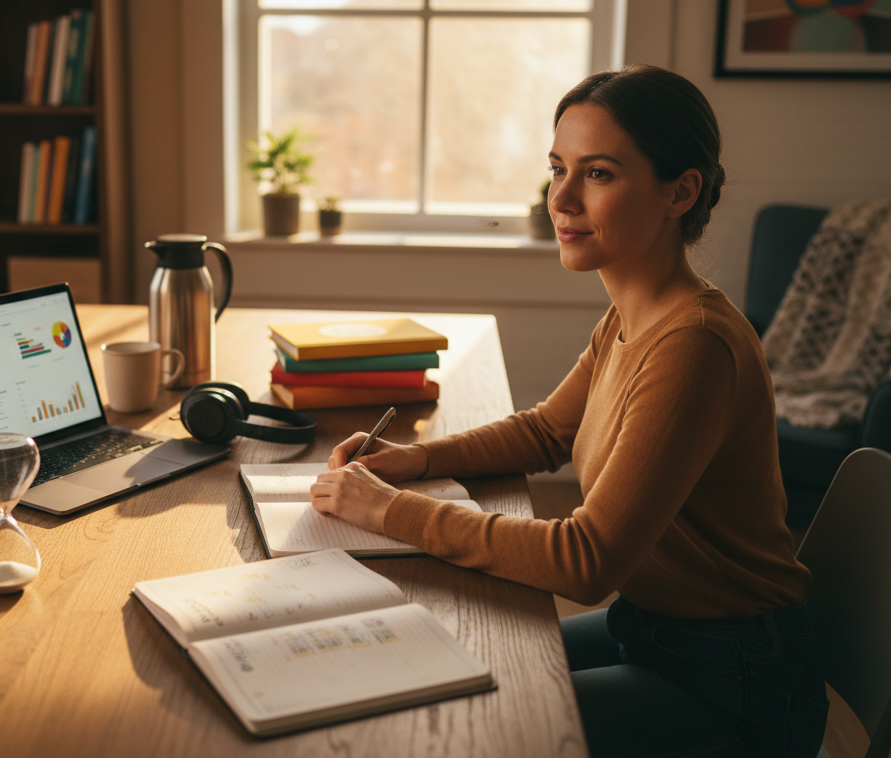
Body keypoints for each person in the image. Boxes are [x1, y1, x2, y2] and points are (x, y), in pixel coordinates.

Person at [311, 64, 829, 758]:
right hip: (650, 628)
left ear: (681, 191)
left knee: (478, 727)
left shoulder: (694, 345)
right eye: (558, 168)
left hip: (734, 682)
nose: (562, 197)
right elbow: (548, 431)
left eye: (599, 174)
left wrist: (387, 510)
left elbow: (585, 561)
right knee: (453, 661)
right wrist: (418, 459)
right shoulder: (633, 313)